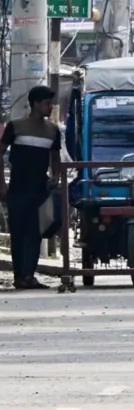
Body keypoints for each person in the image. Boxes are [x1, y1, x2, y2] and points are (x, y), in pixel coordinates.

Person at [0, 86, 61, 290]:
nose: (50, 107)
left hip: (40, 191)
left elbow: (55, 158)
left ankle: (29, 275)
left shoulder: (53, 131)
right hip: (17, 189)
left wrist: (56, 177)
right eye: (47, 103)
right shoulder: (16, 127)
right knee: (18, 234)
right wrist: (2, 187)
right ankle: (20, 276)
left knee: (35, 233)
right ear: (35, 103)